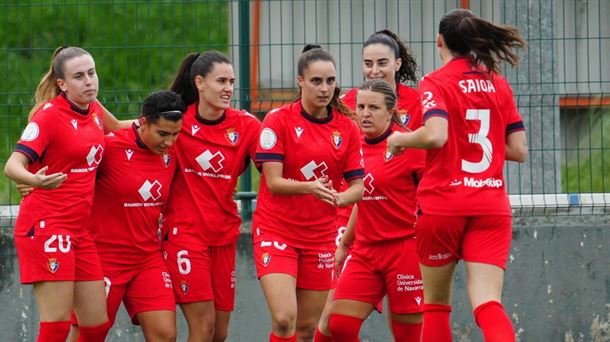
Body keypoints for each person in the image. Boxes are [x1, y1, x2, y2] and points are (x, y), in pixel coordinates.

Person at [387, 9, 528, 342]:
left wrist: (400, 140)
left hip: (443, 206)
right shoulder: (498, 83)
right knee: (488, 303)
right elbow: (519, 149)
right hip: (491, 207)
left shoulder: (436, 81)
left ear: (440, 42)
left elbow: (436, 135)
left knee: (435, 305)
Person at [316, 29, 422, 341]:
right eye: (367, 63)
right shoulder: (348, 102)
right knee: (334, 319)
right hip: (353, 225)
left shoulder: (413, 132)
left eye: (382, 62)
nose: (374, 69)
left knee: (405, 326)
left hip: (402, 237)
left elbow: (429, 188)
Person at [254, 44, 365, 342]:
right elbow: (274, 181)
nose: (325, 88)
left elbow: (359, 186)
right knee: (283, 319)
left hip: (319, 237)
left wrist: (341, 198)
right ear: (300, 80)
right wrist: (310, 187)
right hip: (277, 231)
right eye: (316, 81)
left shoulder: (348, 129)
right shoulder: (278, 120)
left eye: (330, 81)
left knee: (305, 330)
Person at [4, 46, 110, 342]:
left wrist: (164, 127)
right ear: (62, 84)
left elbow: (124, 130)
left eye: (91, 73)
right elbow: (13, 165)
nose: (89, 81)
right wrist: (33, 180)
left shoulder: (95, 110)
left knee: (95, 324)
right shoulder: (49, 116)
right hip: (47, 226)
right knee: (56, 326)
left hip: (80, 230)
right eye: (79, 76)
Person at [69, 90, 186, 342]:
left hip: (146, 259)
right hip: (102, 258)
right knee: (89, 334)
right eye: (163, 134)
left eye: (176, 134)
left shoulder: (173, 154)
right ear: (143, 122)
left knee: (166, 334)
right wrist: (32, 182)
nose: (170, 142)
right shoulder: (110, 147)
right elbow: (69, 171)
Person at [161, 51, 262, 342]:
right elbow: (125, 135)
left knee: (219, 333)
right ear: (200, 83)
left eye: (231, 81)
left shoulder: (246, 126)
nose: (228, 88)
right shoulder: (176, 122)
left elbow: (277, 164)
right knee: (203, 327)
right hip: (186, 236)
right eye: (221, 81)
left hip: (224, 235)